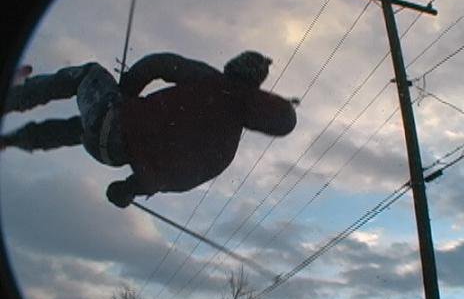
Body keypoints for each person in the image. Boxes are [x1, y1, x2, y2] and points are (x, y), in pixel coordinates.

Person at [1, 51, 299, 207]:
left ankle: (14, 98)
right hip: (111, 153)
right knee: (78, 129)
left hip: (115, 120)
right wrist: (129, 189)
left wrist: (127, 90)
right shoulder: (225, 148)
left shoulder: (210, 80)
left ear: (235, 68)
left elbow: (159, 63)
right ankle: (14, 140)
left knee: (87, 74)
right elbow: (180, 178)